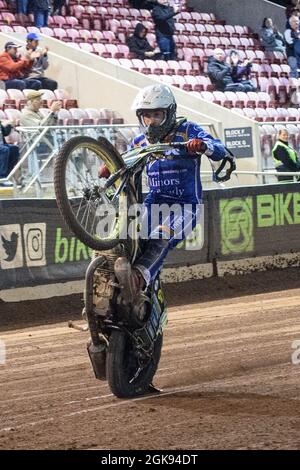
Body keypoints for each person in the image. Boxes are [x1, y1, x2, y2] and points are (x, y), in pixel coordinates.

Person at [99, 84, 227, 303]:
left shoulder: (187, 130)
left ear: (170, 113)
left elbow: (219, 149)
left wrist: (202, 146)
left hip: (185, 205)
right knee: (127, 238)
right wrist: (111, 166)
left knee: (161, 234)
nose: (151, 121)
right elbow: (126, 164)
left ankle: (137, 279)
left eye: (157, 115)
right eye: (146, 116)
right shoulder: (140, 142)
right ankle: (105, 293)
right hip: (154, 203)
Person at [0, 120, 20, 187]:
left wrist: (9, 125)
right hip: (2, 147)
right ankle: (2, 177)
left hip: (2, 144)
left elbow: (5, 133)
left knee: (14, 148)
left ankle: (8, 174)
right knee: (4, 150)